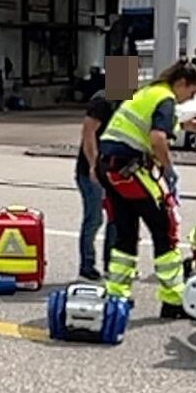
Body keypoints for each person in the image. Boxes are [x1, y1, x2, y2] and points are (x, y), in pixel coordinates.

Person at [96, 63, 196, 319]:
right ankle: (174, 300)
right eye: (193, 91)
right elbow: (157, 138)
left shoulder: (149, 92)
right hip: (129, 170)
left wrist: (183, 126)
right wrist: (169, 169)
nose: (193, 97)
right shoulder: (166, 98)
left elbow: (145, 125)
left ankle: (117, 295)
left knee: (126, 231)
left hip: (110, 168)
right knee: (164, 229)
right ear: (182, 83)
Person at [75, 88, 120, 280]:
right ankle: (87, 266)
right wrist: (94, 165)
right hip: (91, 172)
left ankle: (111, 265)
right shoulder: (102, 101)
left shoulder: (124, 101)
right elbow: (88, 133)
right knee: (94, 219)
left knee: (115, 219)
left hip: (113, 170)